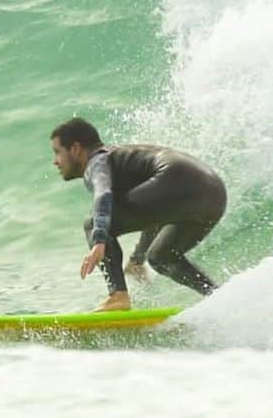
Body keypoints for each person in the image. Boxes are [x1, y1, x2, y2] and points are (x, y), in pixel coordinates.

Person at [49, 117, 227, 311]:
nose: (55, 162)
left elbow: (103, 194)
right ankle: (218, 296)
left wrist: (99, 239)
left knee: (92, 223)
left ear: (75, 149)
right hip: (214, 193)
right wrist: (137, 259)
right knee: (161, 257)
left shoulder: (96, 162)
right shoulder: (122, 160)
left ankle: (118, 297)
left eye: (57, 152)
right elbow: (155, 211)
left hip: (178, 179)